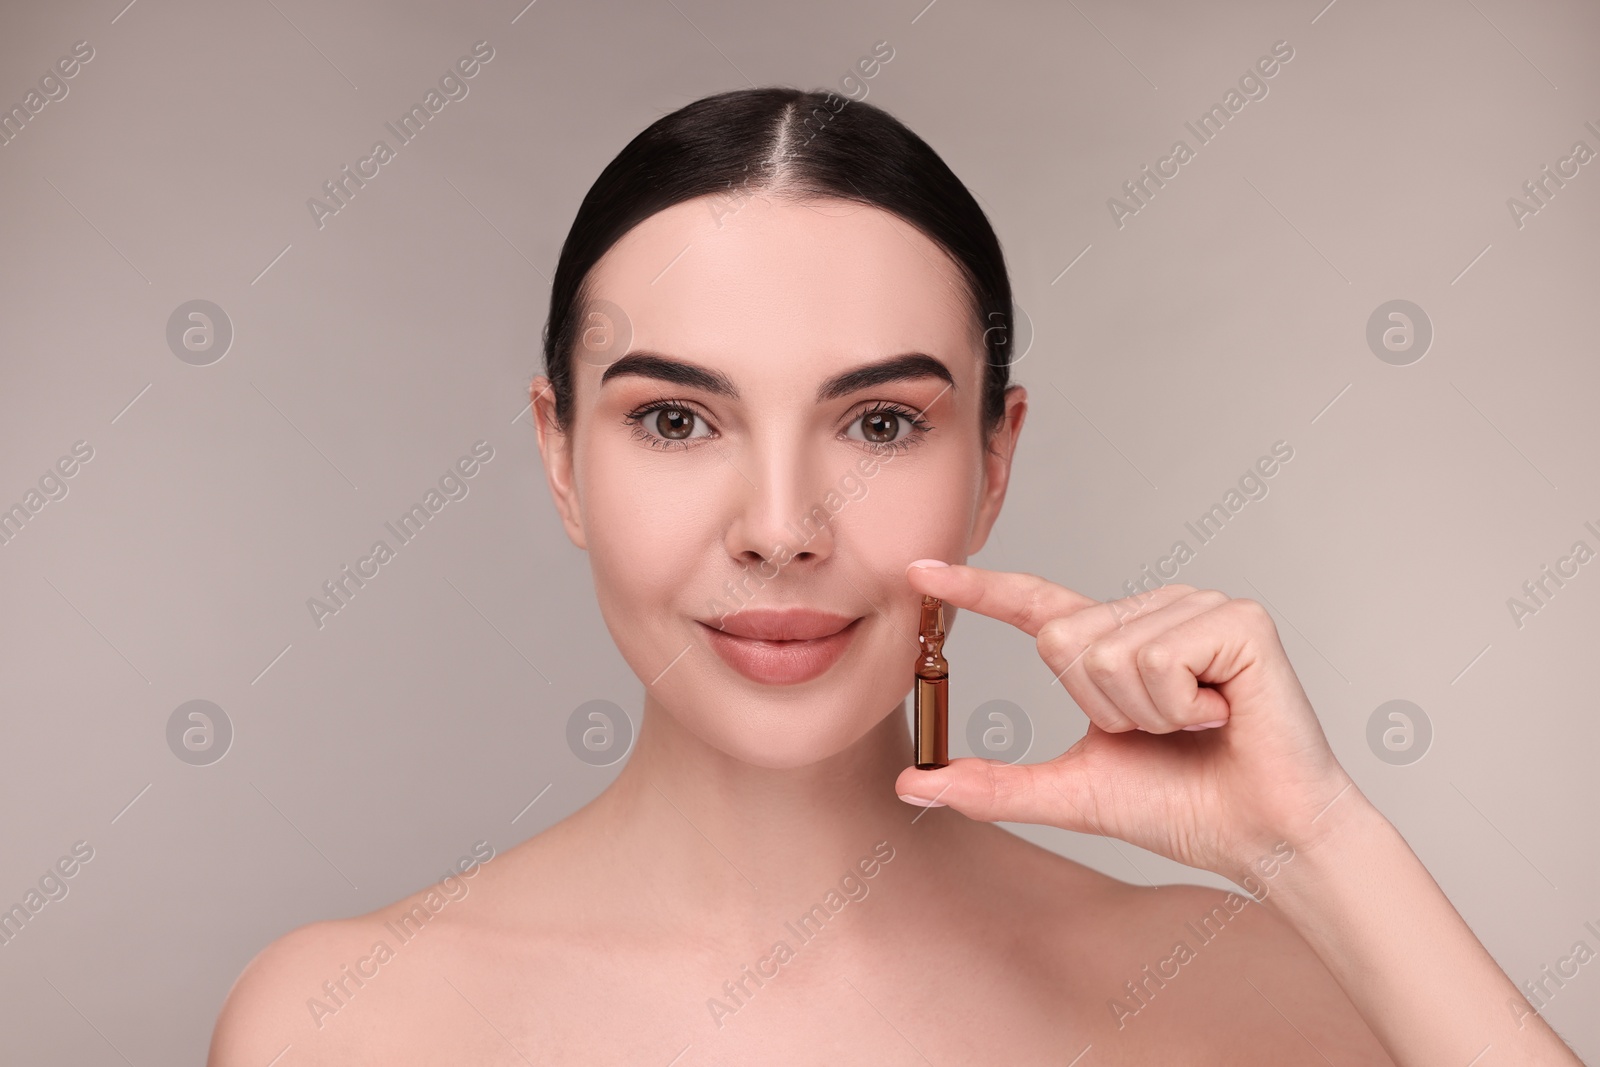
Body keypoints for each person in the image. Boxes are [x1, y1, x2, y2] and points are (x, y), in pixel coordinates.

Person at [208, 87, 1583, 1066]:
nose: (784, 526)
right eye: (677, 420)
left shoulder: (1252, 997)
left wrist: (1318, 848)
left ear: (994, 461)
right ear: (560, 457)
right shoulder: (344, 1023)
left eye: (880, 423)